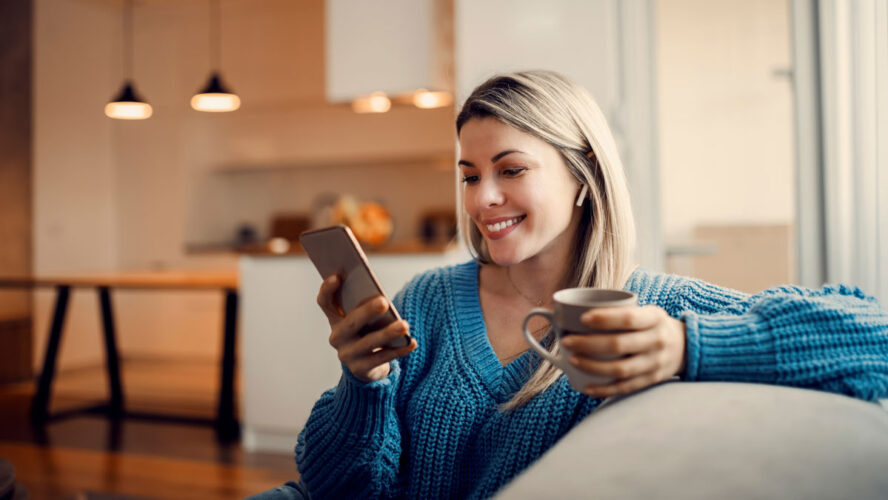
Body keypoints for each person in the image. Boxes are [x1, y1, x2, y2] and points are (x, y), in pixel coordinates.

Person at [248, 70, 888, 500]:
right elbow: (338, 487)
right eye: (470, 175)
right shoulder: (428, 301)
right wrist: (362, 383)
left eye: (511, 169)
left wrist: (688, 347)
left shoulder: (653, 310)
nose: (484, 198)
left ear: (582, 176)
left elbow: (872, 337)